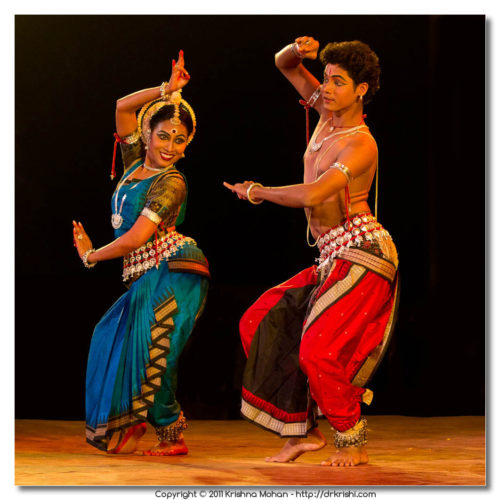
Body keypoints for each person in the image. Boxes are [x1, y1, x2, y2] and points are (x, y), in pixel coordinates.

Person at [224, 37, 399, 467]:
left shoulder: (362, 144)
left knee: (317, 349)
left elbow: (317, 193)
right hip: (330, 256)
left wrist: (258, 192)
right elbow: (284, 64)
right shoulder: (324, 112)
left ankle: (351, 436)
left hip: (363, 254)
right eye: (325, 79)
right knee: (258, 323)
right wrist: (296, 50)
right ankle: (304, 432)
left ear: (361, 89)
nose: (327, 88)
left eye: (338, 81)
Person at [73, 51, 210, 456]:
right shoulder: (134, 163)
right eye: (163, 135)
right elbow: (122, 106)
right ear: (147, 134)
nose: (170, 146)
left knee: (154, 349)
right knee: (111, 339)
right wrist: (166, 90)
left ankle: (171, 435)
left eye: (179, 139)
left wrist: (92, 255)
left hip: (176, 269)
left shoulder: (172, 183)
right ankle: (138, 424)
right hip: (148, 272)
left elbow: (136, 237)